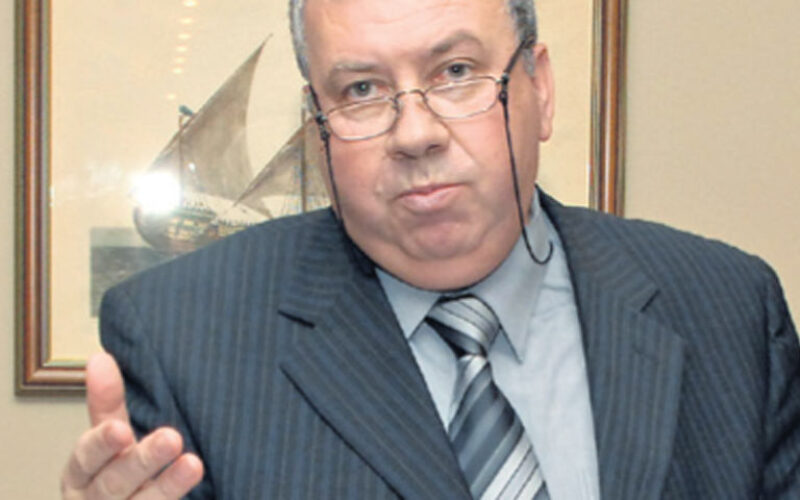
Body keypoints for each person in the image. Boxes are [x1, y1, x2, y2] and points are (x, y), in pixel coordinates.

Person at [61, 0, 800, 498]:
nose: (414, 134)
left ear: (540, 88)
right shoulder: (181, 339)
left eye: (456, 73)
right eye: (361, 90)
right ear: (318, 127)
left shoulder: (729, 309)